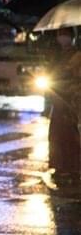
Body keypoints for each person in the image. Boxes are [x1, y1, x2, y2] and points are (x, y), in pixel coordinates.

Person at [46, 27, 81, 185]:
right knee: (56, 134)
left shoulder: (77, 55)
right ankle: (59, 166)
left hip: (70, 99)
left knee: (69, 134)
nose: (62, 38)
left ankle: (72, 167)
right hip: (58, 99)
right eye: (60, 35)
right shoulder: (57, 55)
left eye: (65, 35)